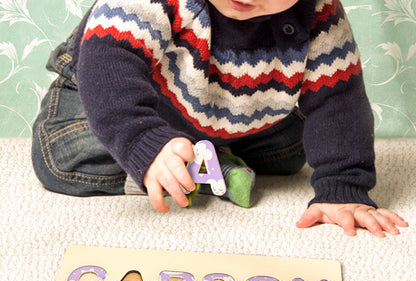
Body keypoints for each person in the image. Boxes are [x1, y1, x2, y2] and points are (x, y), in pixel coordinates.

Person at [31, 0, 408, 237]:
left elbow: (338, 99)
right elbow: (110, 67)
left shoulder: (319, 15)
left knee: (295, 150)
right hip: (117, 99)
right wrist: (143, 142)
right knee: (60, 156)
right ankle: (198, 170)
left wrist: (342, 189)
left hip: (230, 111)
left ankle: (204, 161)